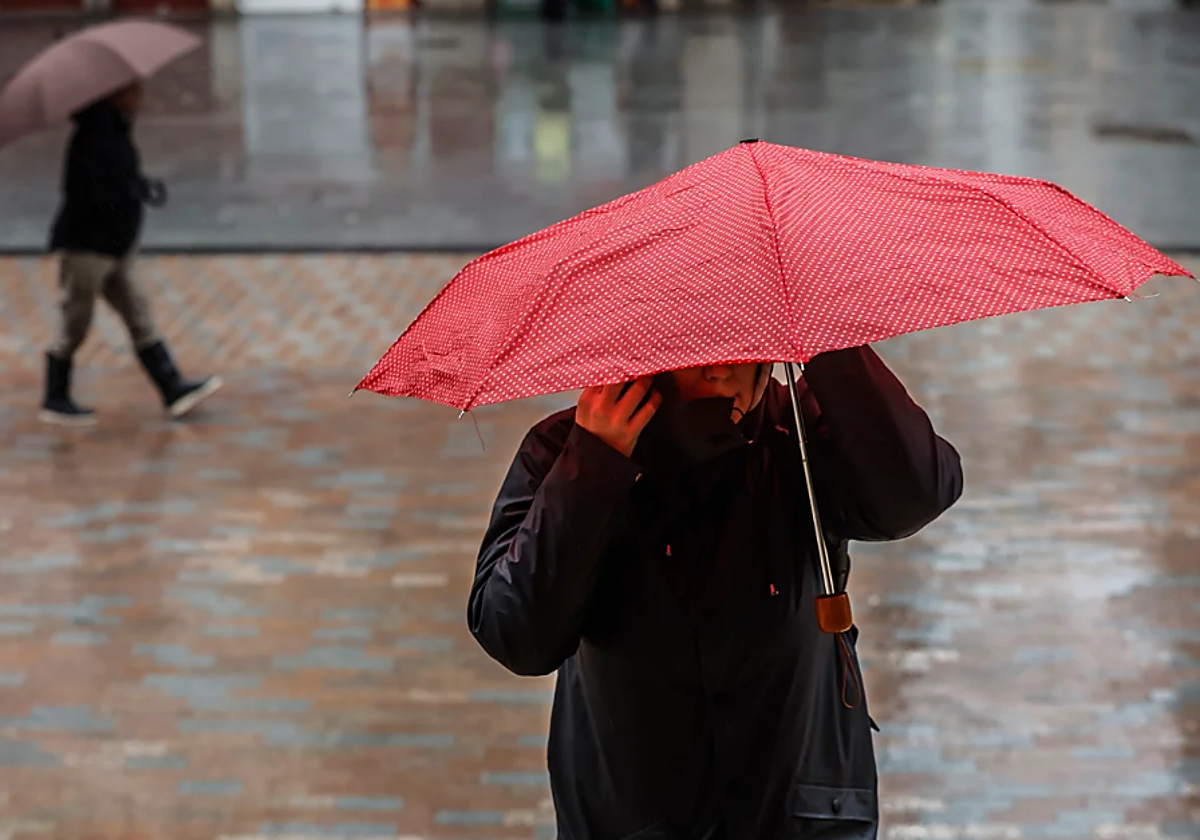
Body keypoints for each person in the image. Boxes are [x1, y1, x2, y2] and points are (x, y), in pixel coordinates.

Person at [470, 347, 963, 840]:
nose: (720, 366)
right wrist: (594, 463)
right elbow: (517, 632)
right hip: (630, 815)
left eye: (743, 344)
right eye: (693, 349)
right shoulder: (564, 448)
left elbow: (915, 493)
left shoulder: (804, 431)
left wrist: (830, 350)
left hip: (803, 813)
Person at [41, 83, 221, 427]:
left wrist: (136, 186)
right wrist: (124, 195)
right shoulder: (92, 138)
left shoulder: (116, 131)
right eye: (134, 91)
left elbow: (119, 178)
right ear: (114, 95)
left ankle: (172, 388)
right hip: (89, 248)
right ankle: (55, 396)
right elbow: (85, 192)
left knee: (139, 313)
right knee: (74, 322)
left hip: (116, 247)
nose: (140, 97)